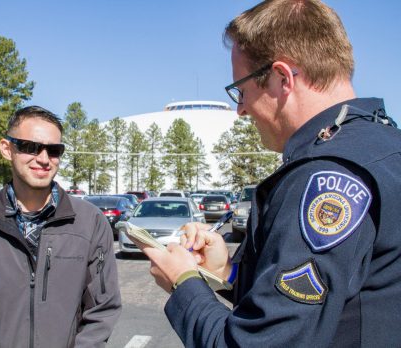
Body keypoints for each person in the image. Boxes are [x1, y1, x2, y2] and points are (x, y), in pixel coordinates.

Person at [131, 0, 401, 346]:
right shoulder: (384, 147)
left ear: (282, 78)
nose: (241, 110)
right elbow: (341, 296)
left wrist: (183, 281)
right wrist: (227, 273)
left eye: (240, 91)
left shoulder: (325, 178)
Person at [0, 106, 122, 347]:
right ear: (7, 149)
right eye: (31, 147)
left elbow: (103, 309)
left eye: (54, 150)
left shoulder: (90, 222)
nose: (44, 159)